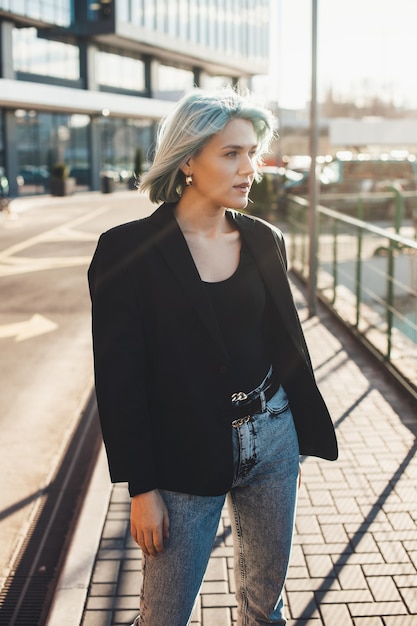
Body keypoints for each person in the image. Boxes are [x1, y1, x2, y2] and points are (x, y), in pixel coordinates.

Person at [88, 87, 338, 626]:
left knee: (264, 609)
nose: (252, 167)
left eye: (253, 152)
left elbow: (283, 343)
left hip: (273, 437)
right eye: (232, 153)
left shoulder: (264, 239)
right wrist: (141, 487)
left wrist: (292, 441)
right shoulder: (125, 252)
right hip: (183, 452)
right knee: (164, 616)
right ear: (188, 161)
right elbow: (118, 380)